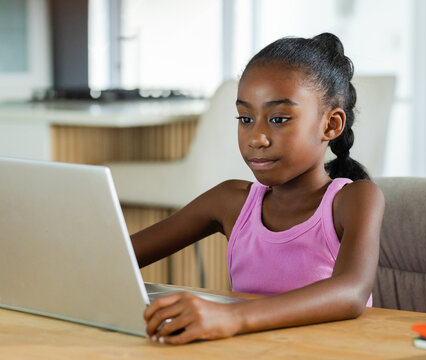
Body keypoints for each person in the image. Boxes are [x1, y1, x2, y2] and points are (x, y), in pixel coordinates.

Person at [132, 32, 385, 345]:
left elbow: (351, 293)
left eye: (278, 119)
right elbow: (121, 256)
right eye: (245, 118)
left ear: (331, 125)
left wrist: (233, 316)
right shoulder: (230, 202)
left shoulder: (355, 199)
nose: (256, 138)